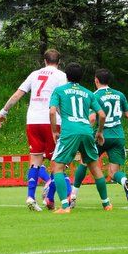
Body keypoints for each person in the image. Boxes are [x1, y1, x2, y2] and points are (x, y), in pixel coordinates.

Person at [0, 49, 67, 211]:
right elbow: (62, 101)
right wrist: (68, 119)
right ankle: (50, 196)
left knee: (35, 160)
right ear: (59, 62)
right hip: (52, 121)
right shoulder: (61, 76)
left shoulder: (34, 74)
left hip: (33, 121)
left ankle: (31, 197)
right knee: (57, 162)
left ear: (44, 61)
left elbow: (17, 95)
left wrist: (3, 113)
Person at [48, 63, 110, 213]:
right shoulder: (88, 93)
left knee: (57, 167)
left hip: (69, 132)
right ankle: (107, 204)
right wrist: (99, 132)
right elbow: (102, 115)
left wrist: (54, 131)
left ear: (66, 76)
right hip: (86, 131)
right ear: (81, 77)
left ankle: (64, 206)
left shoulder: (59, 90)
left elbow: (52, 112)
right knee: (95, 168)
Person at [69, 69, 128, 206]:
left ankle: (73, 196)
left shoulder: (94, 96)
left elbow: (92, 118)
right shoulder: (119, 94)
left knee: (84, 162)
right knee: (113, 172)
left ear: (96, 80)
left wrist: (86, 131)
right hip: (118, 137)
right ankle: (124, 181)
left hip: (101, 136)